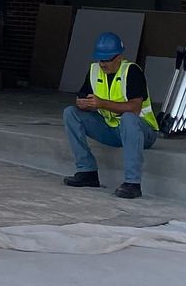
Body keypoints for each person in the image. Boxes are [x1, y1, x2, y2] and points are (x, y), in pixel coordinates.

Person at [61, 31, 159, 198]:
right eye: (100, 59)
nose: (103, 64)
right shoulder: (94, 70)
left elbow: (134, 108)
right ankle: (87, 172)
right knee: (71, 113)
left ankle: (132, 183)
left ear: (119, 57)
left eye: (107, 60)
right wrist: (83, 103)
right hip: (112, 129)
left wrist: (101, 103)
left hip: (143, 131)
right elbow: (82, 96)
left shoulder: (132, 72)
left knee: (128, 118)